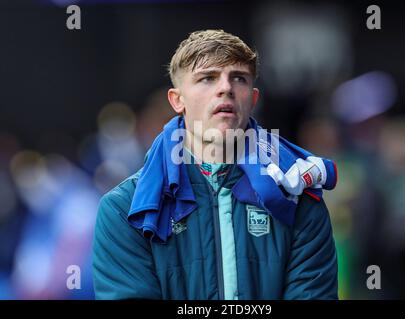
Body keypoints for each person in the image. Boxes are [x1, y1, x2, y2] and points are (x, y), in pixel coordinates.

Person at [92, 29, 338, 300]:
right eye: (207, 78)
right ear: (177, 100)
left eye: (239, 78)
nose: (226, 88)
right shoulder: (123, 209)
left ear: (253, 99)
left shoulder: (298, 198)